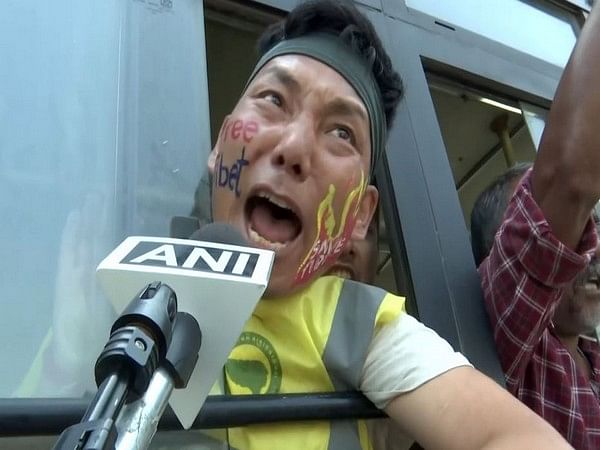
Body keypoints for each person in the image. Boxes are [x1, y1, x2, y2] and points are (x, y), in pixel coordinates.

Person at [207, 0, 569, 448]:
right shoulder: (117, 273)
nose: (294, 148)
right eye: (273, 100)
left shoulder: (359, 326)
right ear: (219, 143)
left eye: (341, 133)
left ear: (360, 215)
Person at [473, 3, 600, 447]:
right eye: (561, 237)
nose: (586, 253)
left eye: (587, 229)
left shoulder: (593, 353)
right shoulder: (509, 349)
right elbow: (568, 179)